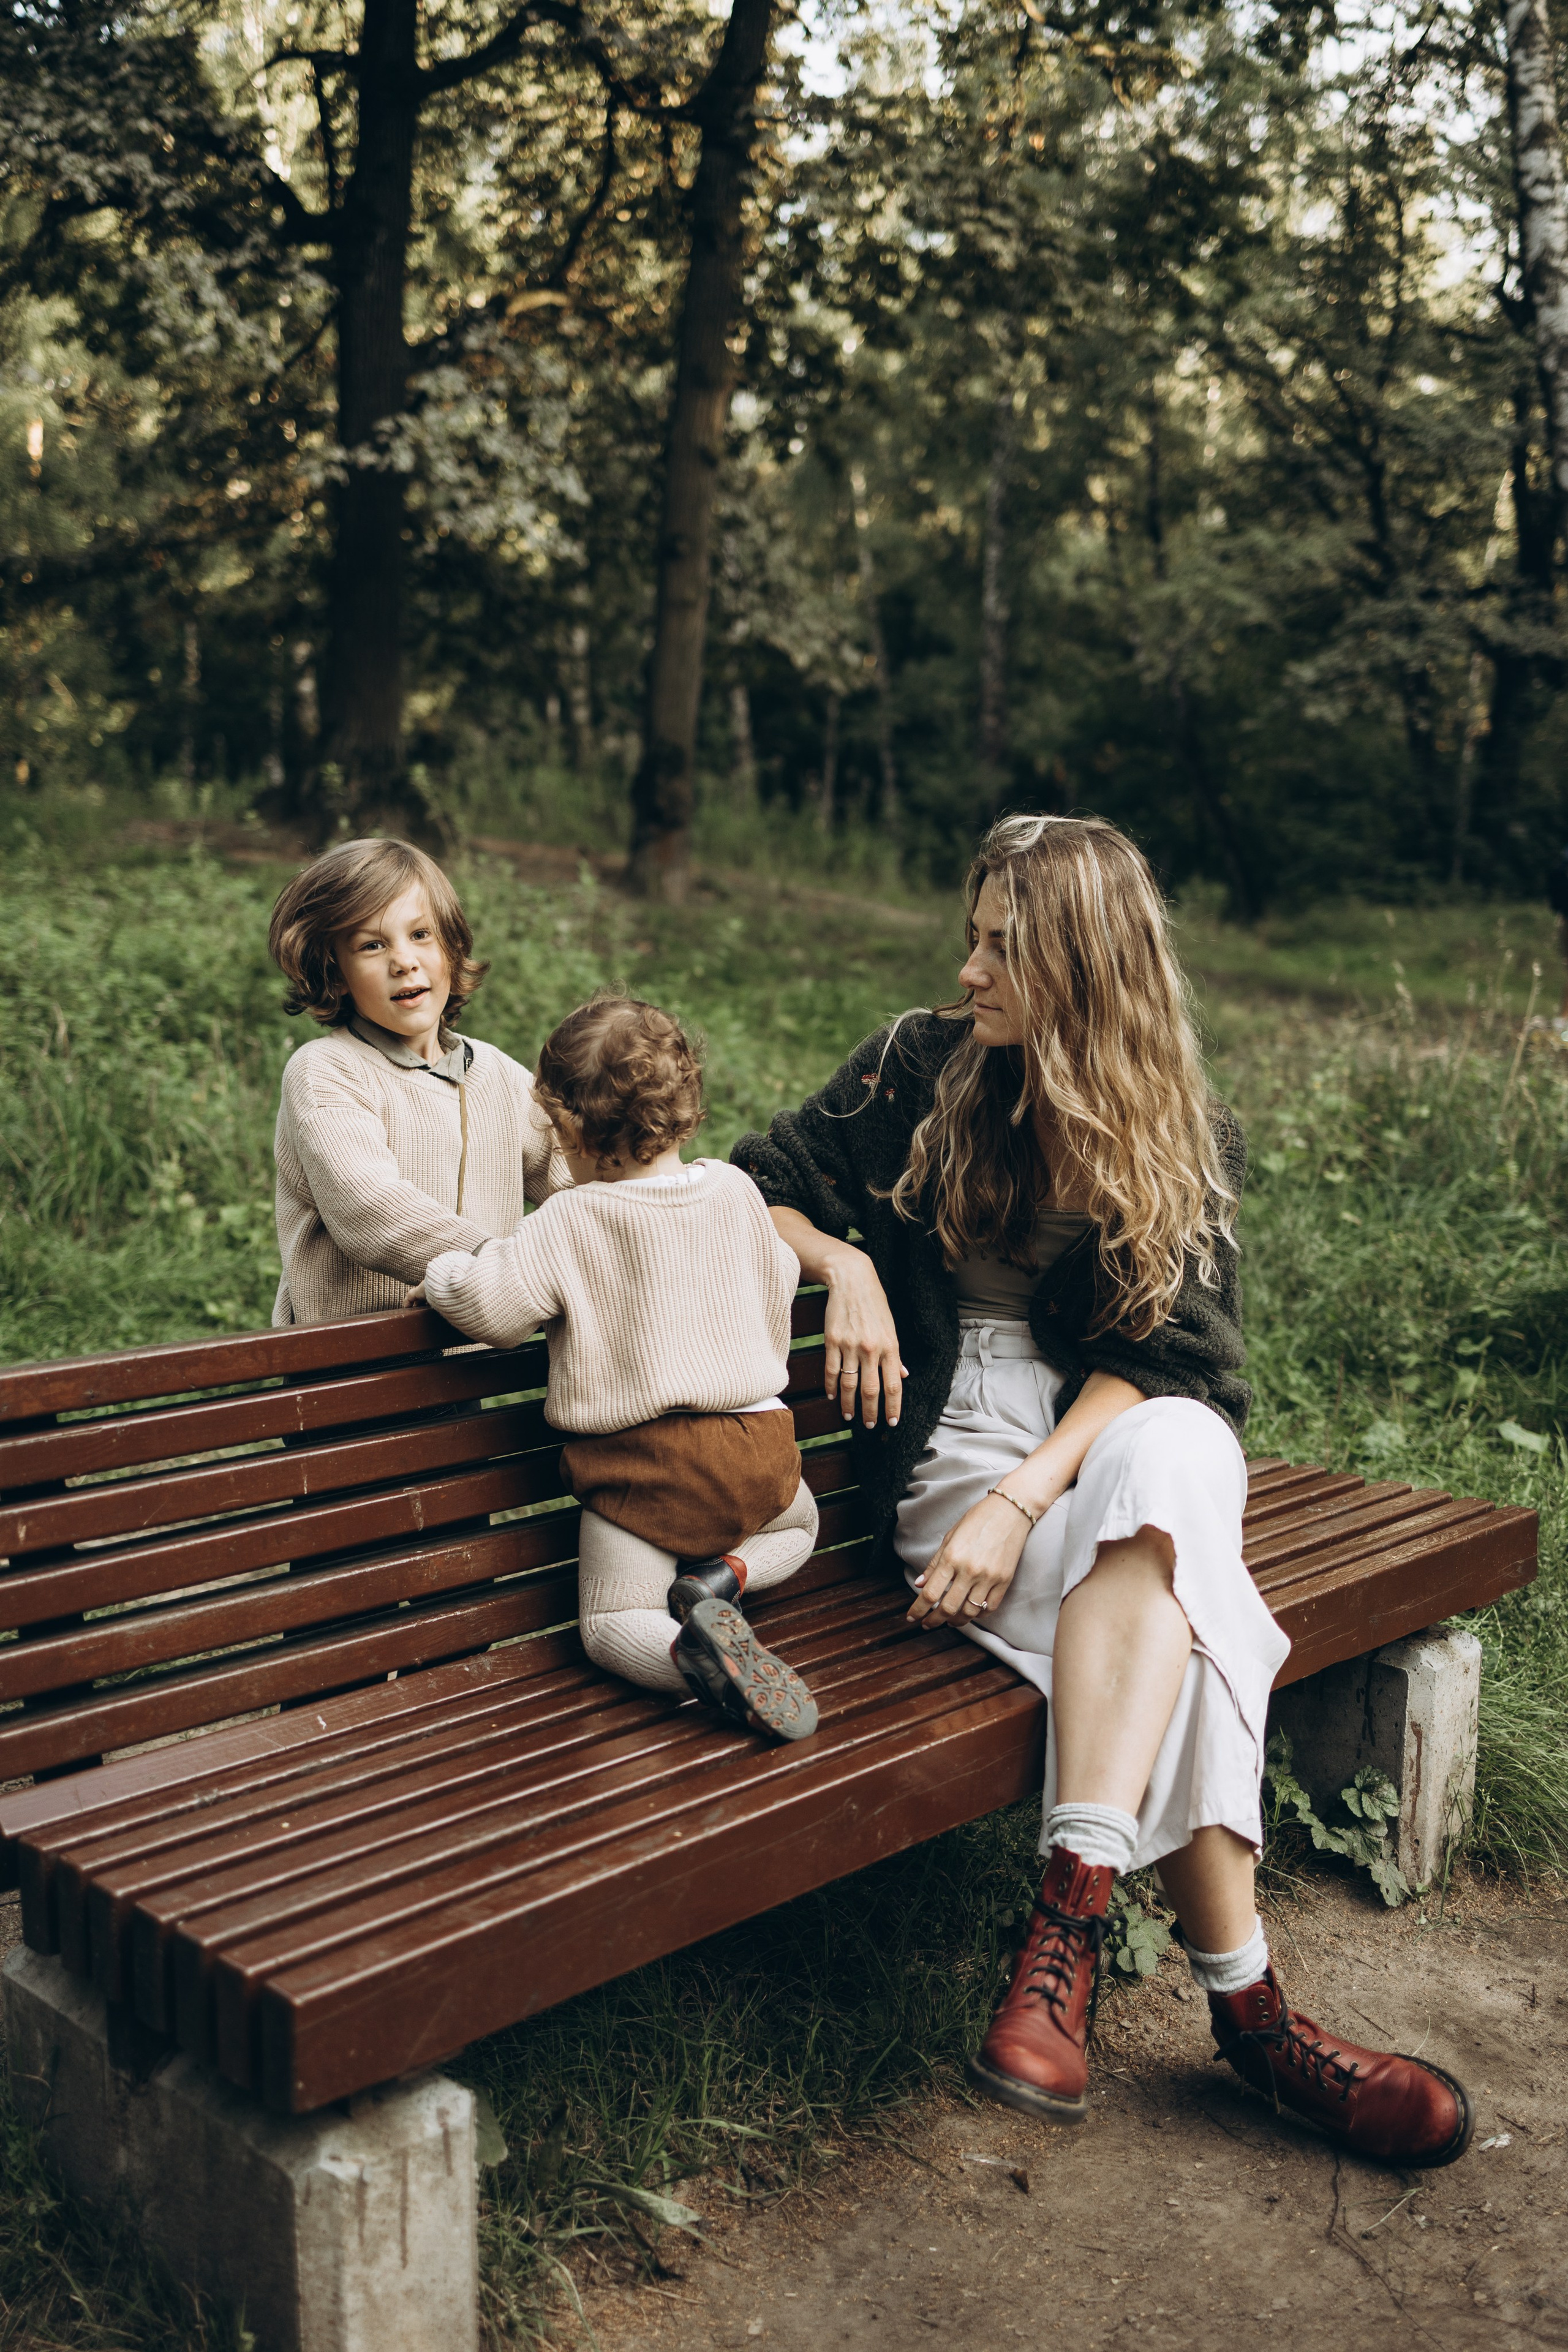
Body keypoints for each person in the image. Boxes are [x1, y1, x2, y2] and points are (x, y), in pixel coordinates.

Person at [731, 812, 1472, 2166]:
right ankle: (1253, 2018)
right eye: (971, 939)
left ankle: (1063, 1924)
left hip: (1091, 1442)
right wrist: (838, 1265)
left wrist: (1027, 1498)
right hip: (943, 1444)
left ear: (1082, 963)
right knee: (1189, 1633)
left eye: (1002, 949)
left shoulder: (1183, 1134)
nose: (966, 971)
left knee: (1180, 1450)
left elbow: (1160, 1366)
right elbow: (753, 1184)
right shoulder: (915, 1067)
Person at [415, 995, 821, 1740]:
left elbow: (491, 1308)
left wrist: (442, 1271)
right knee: (804, 1525)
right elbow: (782, 1275)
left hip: (644, 1470)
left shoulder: (572, 1220)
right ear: (685, 1105)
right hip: (762, 1455)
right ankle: (726, 1577)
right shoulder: (734, 1191)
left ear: (569, 1126)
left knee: (611, 1621)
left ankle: (690, 1661)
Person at [267, 837, 565, 1325]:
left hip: (469, 1371)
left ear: (451, 945)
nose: (403, 960)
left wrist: (668, 1195)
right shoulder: (326, 1073)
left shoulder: (500, 1078)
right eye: (372, 945)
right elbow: (373, 1212)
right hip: (352, 1374)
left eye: (421, 935)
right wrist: (504, 1264)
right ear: (335, 972)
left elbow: (581, 1174)